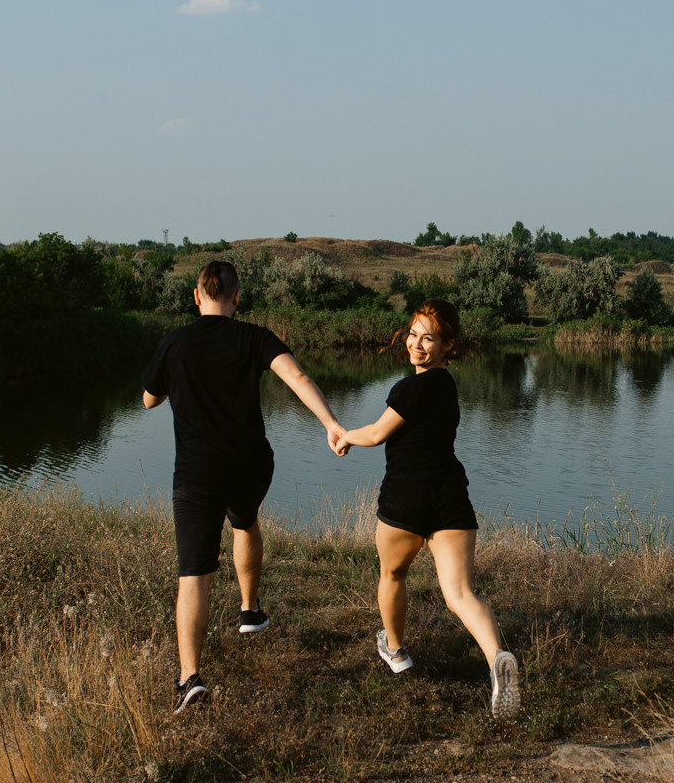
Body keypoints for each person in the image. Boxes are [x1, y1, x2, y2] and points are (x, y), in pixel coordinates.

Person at [142, 258, 348, 712]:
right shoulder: (254, 336)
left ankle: (189, 678)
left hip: (197, 471)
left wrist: (167, 385)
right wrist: (330, 424)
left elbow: (148, 399)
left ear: (196, 297)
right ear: (237, 298)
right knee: (244, 519)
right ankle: (250, 611)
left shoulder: (174, 342)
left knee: (194, 571)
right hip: (251, 464)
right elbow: (297, 377)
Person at [333, 299, 520, 718]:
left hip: (405, 498)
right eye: (413, 334)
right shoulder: (448, 386)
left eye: (428, 338)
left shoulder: (409, 388)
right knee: (460, 593)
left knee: (393, 574)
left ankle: (395, 650)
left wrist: (345, 435)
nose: (417, 344)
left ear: (448, 345)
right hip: (451, 497)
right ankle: (496, 659)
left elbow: (378, 433)